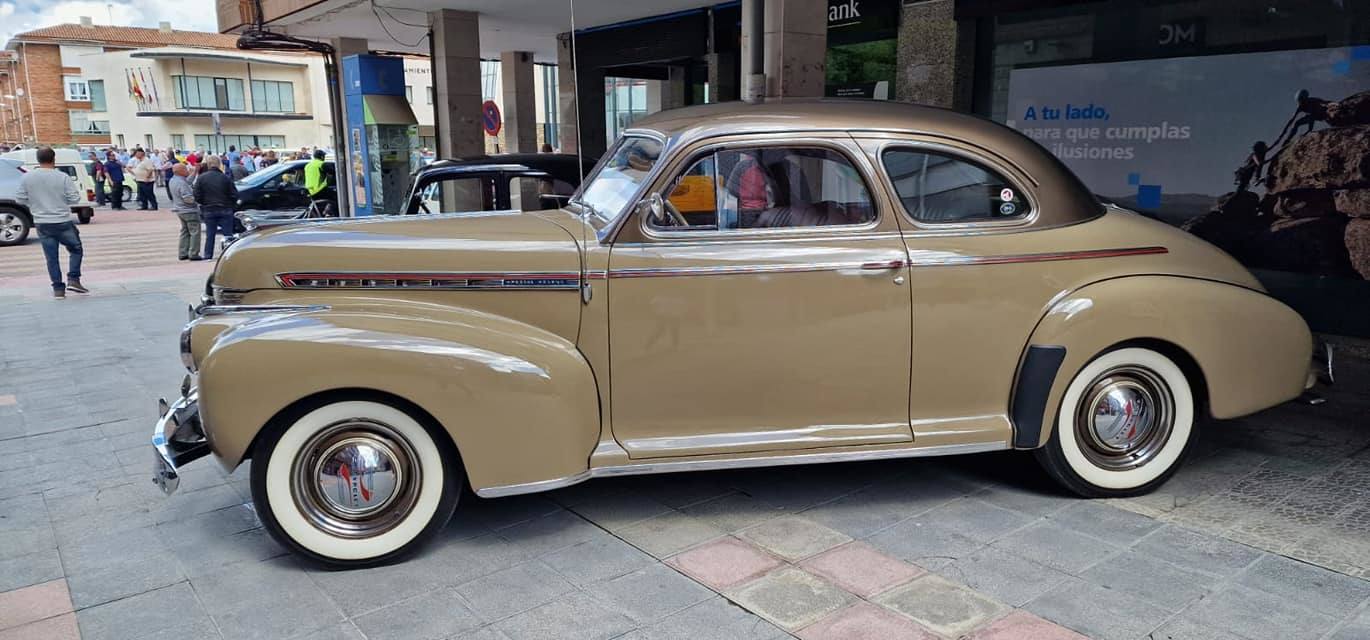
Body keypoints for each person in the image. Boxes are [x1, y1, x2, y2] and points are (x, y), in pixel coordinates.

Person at [17, 147, 85, 298]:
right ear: (54, 158)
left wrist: (35, 204)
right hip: (62, 220)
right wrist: (61, 201)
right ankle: (73, 279)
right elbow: (74, 198)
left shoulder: (27, 177)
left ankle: (58, 289)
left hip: (42, 222)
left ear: (38, 159)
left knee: (51, 257)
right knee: (76, 249)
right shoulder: (62, 177)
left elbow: (20, 199)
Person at [193, 156, 237, 260]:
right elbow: (234, 194)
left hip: (208, 208)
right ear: (219, 164)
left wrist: (203, 203)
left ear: (208, 165)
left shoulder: (201, 178)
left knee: (210, 234)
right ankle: (229, 255)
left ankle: (208, 255)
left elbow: (197, 195)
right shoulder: (225, 178)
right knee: (228, 234)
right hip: (225, 207)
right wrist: (230, 204)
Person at [168, 163, 201, 261]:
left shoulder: (174, 180)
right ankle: (193, 253)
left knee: (185, 232)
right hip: (189, 210)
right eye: (185, 169)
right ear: (180, 171)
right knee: (195, 232)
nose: (187, 171)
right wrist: (198, 201)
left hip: (180, 210)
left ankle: (183, 252)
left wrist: (195, 172)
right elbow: (187, 198)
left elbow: (188, 182)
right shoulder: (181, 183)